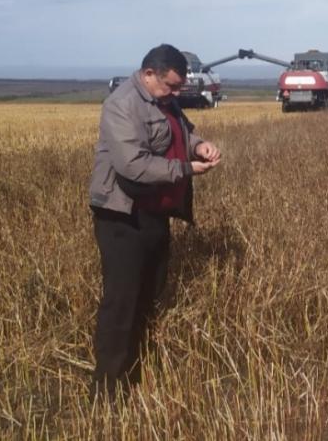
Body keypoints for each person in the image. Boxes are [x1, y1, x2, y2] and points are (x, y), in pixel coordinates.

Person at [88, 43, 221, 398]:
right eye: (171, 86)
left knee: (151, 293)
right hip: (121, 216)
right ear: (149, 74)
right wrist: (185, 168)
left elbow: (181, 131)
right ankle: (107, 391)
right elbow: (132, 165)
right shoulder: (121, 105)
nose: (176, 93)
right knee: (122, 301)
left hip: (153, 212)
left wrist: (199, 146)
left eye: (179, 87)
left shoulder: (164, 100)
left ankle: (134, 373)